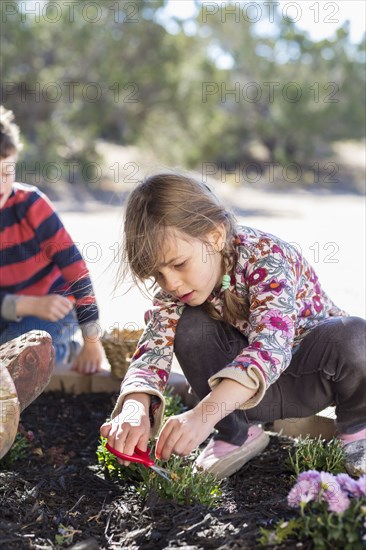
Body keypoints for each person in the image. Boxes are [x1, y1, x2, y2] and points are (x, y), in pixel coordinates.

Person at [100, 172, 366, 478]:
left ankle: (358, 429)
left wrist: (202, 416)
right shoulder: (178, 292)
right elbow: (151, 351)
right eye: (157, 275)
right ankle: (236, 434)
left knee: (354, 335)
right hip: (236, 399)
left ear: (215, 236)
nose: (170, 283)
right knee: (188, 323)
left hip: (310, 379)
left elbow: (271, 350)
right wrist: (134, 408)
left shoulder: (268, 257)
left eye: (178, 264)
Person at [0, 105, 104, 374]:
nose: (1, 186)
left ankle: (63, 350)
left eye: (6, 172)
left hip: (55, 306)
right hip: (10, 308)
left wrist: (91, 341)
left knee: (17, 352)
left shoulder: (31, 205)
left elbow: (77, 273)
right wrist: (24, 304)